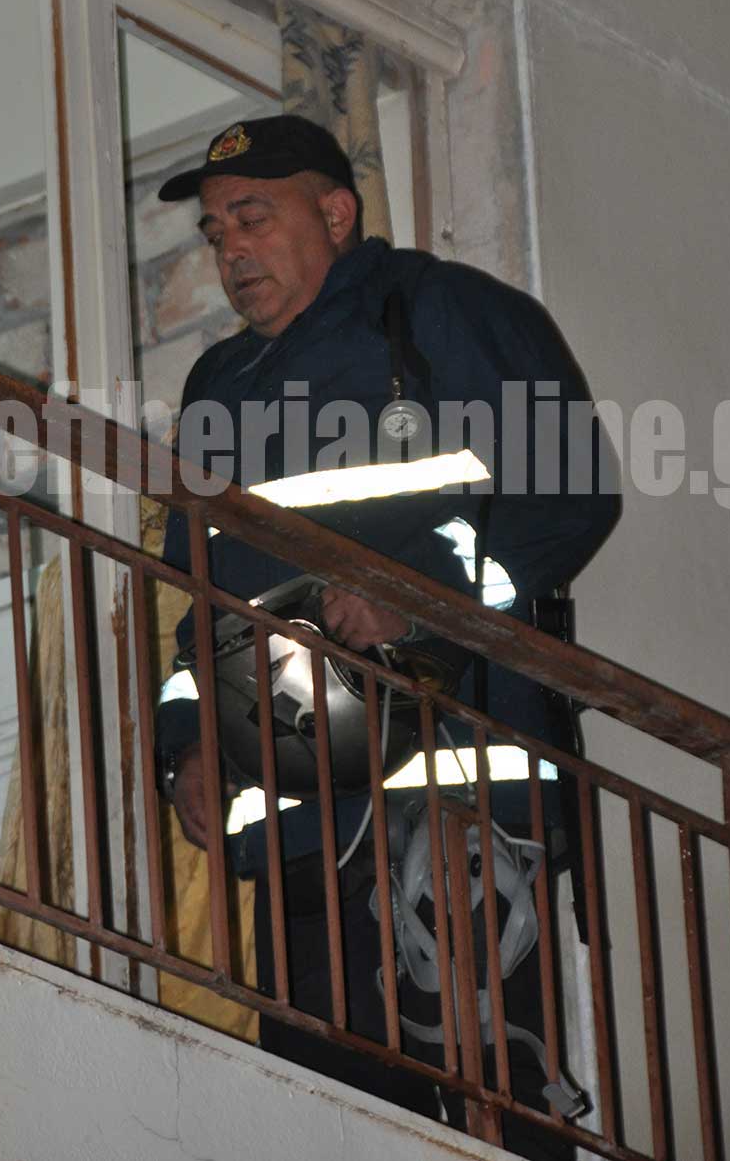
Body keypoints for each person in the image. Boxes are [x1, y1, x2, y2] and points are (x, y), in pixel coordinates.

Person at [157, 114, 620, 1159]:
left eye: (252, 218)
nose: (230, 250)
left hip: (453, 805)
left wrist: (421, 602)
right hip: (294, 823)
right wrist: (187, 743)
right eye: (216, 232)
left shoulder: (435, 311)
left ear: (335, 214)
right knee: (328, 1120)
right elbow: (198, 601)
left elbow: (569, 494)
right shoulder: (217, 387)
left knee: (494, 1104)